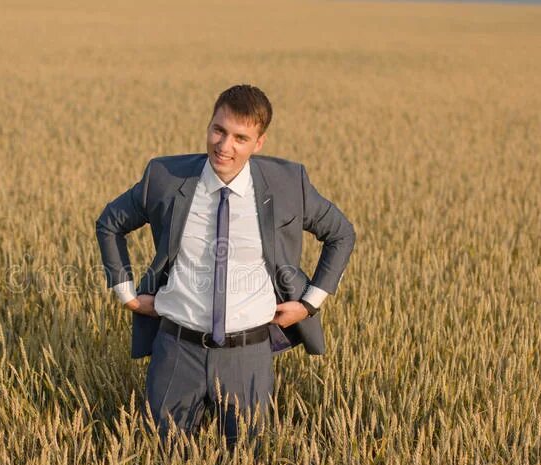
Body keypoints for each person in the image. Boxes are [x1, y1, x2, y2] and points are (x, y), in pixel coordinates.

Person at [95, 85, 355, 443]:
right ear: (209, 124)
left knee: (248, 463)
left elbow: (341, 233)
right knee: (160, 461)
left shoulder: (286, 184)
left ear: (258, 143)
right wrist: (127, 294)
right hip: (176, 350)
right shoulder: (166, 178)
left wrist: (309, 304)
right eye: (218, 130)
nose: (224, 145)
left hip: (248, 357)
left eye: (240, 137)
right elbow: (110, 223)